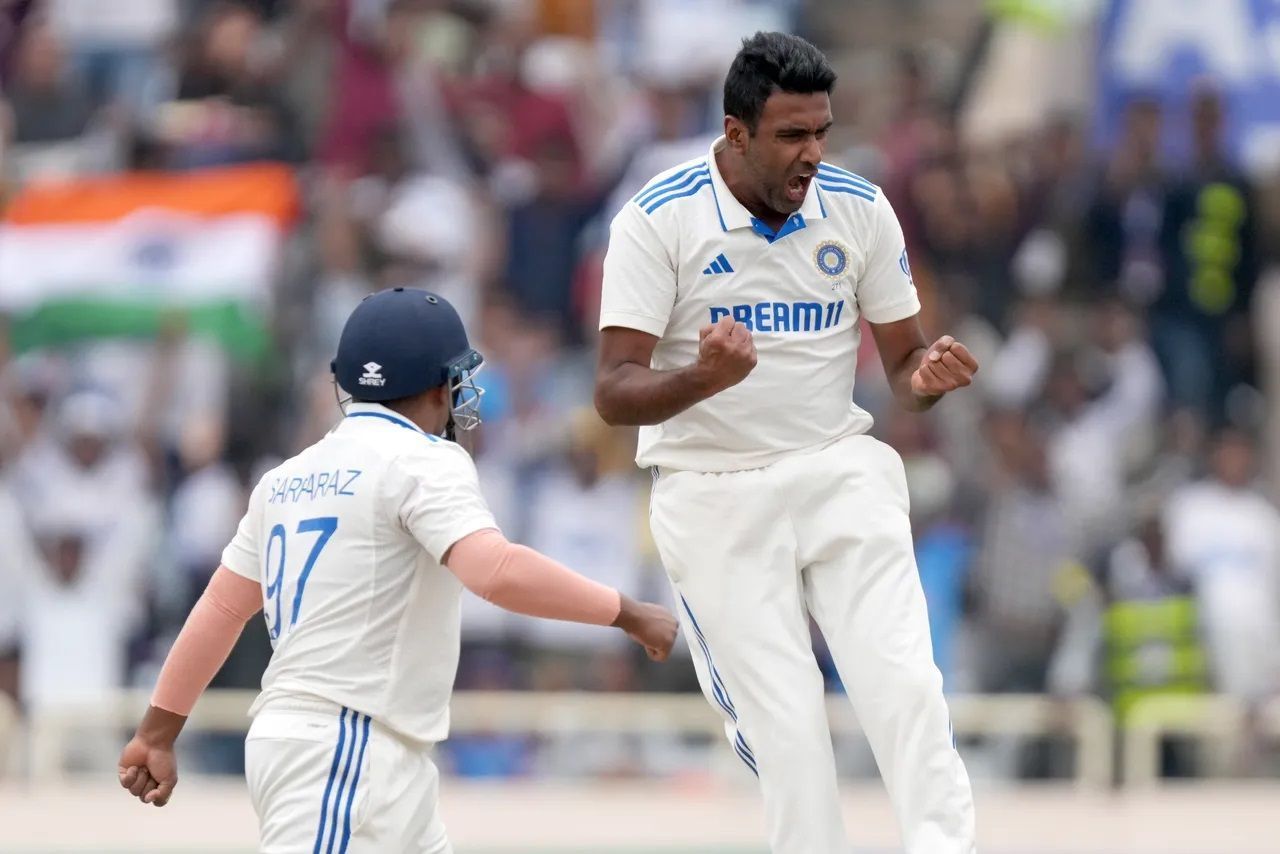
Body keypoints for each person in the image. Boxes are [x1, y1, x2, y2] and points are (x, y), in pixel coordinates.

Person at [116, 287, 678, 853]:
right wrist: (625, 611)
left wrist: (156, 733)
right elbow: (495, 571)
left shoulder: (286, 477)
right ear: (440, 388)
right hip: (345, 747)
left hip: (350, 747)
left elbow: (221, 607)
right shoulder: (424, 460)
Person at [594, 32, 976, 854]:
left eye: (821, 132)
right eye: (791, 136)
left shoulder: (860, 208)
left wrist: (924, 377)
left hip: (838, 468)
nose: (812, 154)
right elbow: (614, 390)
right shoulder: (657, 221)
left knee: (906, 687)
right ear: (736, 133)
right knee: (789, 728)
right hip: (713, 487)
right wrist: (703, 379)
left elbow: (905, 357)